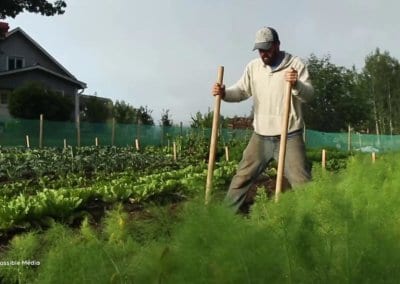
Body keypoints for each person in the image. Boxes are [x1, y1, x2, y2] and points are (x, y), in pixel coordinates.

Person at [212, 26, 314, 212]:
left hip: (289, 135)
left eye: (267, 48)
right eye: (260, 49)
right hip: (260, 136)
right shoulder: (254, 67)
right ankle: (224, 218)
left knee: (301, 182)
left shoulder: (295, 65)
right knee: (241, 177)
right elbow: (241, 91)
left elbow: (309, 95)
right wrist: (224, 93)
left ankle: (318, 222)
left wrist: (296, 83)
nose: (263, 53)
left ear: (277, 45)